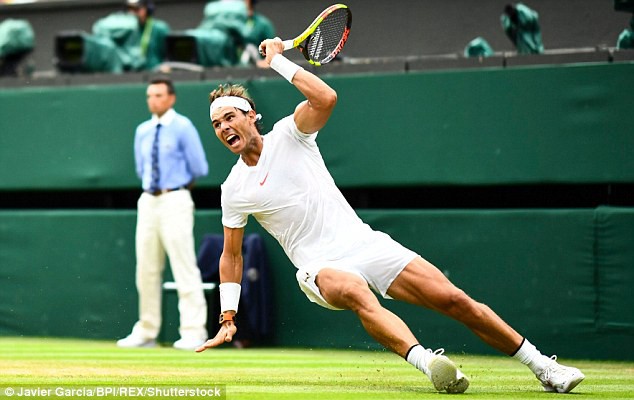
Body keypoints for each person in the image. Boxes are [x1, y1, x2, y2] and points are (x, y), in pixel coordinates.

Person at [196, 37, 585, 394]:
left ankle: (543, 367)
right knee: (354, 292)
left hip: (364, 243)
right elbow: (232, 255)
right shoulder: (234, 189)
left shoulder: (290, 133)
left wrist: (280, 62)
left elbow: (326, 99)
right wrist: (228, 314)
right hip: (317, 266)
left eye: (230, 117)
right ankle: (429, 363)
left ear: (252, 116)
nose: (223, 127)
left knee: (455, 300)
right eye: (216, 124)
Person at [117, 77, 209, 351]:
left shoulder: (183, 127)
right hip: (147, 201)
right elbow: (139, 167)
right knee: (145, 268)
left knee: (183, 265)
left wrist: (176, 187)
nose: (153, 100)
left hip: (176, 198)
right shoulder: (142, 130)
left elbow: (199, 167)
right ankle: (146, 330)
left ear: (171, 98)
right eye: (149, 96)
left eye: (158, 95)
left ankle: (194, 331)